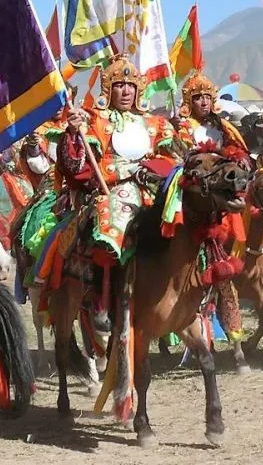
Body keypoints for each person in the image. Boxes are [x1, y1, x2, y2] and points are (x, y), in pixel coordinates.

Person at [57, 56, 176, 329]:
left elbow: (171, 157)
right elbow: (76, 165)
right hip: (112, 186)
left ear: (139, 90)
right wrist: (74, 133)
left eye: (130, 86)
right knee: (111, 224)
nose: (125, 91)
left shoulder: (155, 123)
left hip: (152, 184)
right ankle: (103, 295)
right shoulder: (94, 119)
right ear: (108, 89)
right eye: (119, 85)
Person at [174, 71, 248, 150]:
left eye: (208, 98)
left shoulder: (221, 125)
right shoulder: (183, 126)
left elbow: (239, 149)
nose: (205, 103)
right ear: (190, 102)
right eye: (198, 98)